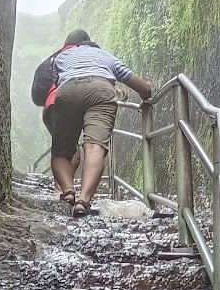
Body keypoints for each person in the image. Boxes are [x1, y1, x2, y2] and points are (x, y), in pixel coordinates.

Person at [42, 29, 152, 216]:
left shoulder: (62, 57)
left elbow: (58, 81)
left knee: (61, 151)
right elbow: (144, 88)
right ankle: (83, 201)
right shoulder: (106, 57)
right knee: (94, 147)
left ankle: (68, 192)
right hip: (101, 90)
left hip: (68, 89)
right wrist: (145, 99)